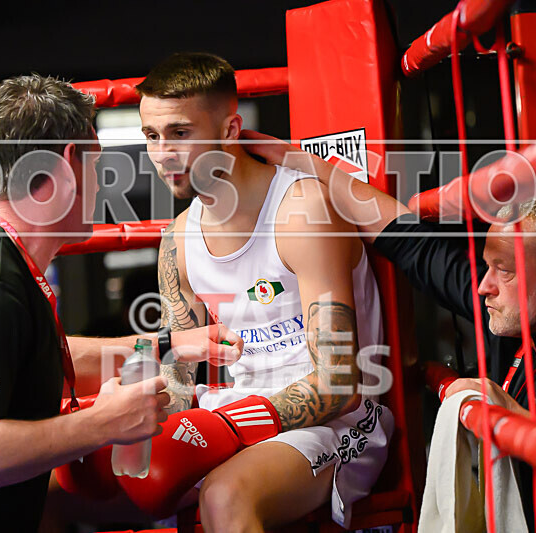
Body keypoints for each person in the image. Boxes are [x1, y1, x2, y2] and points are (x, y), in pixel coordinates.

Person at [0, 74, 241, 533]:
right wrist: (102, 423)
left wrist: (167, 344)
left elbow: (32, 358)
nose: (100, 184)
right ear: (70, 164)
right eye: (98, 165)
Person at [242, 132, 536, 532]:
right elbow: (404, 237)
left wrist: (513, 419)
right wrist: (297, 159)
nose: (484, 286)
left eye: (503, 270)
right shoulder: (517, 314)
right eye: (488, 267)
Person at [131, 52, 393, 531]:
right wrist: (131, 417)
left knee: (225, 497)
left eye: (180, 134)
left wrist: (231, 426)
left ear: (231, 130)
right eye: (151, 136)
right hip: (234, 410)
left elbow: (339, 384)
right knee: (63, 486)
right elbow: (182, 372)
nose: (162, 154)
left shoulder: (301, 211)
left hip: (340, 421)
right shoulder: (178, 241)